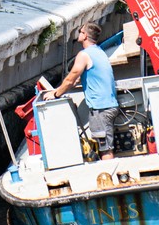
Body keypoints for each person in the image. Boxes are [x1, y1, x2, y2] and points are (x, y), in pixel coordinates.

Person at [43, 22, 119, 160]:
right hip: (109, 105)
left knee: (106, 150)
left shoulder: (84, 55)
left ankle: (107, 176)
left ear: (85, 36)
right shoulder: (99, 52)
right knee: (105, 146)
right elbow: (89, 75)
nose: (78, 33)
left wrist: (55, 94)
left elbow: (71, 78)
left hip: (100, 108)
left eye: (80, 31)